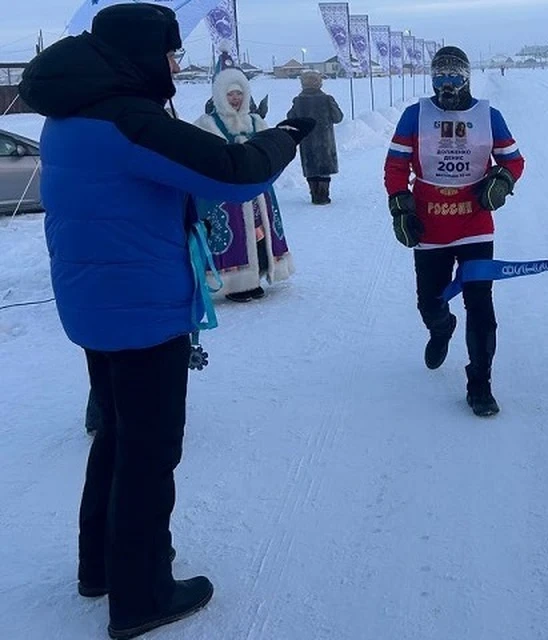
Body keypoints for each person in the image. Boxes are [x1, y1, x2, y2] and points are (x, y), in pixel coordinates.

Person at [18, 4, 313, 638]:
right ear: (142, 55)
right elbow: (235, 173)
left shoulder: (69, 111)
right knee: (150, 451)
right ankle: (142, 592)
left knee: (118, 436)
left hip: (94, 300)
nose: (177, 65)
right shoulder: (128, 120)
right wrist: (289, 133)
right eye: (171, 54)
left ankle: (99, 567)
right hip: (141, 310)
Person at [384, 46, 525, 417]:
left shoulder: (488, 116)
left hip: (474, 224)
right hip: (430, 225)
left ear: (467, 77)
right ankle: (441, 326)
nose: (447, 84)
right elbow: (396, 166)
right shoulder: (414, 117)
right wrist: (400, 205)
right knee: (429, 302)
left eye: (454, 76)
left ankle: (480, 384)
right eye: (440, 76)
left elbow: (513, 159)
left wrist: (503, 180)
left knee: (481, 306)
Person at [194, 51, 294, 303]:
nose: (236, 98)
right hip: (226, 194)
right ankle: (236, 283)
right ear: (220, 96)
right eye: (230, 94)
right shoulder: (207, 124)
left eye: (239, 93)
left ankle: (258, 273)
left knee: (260, 230)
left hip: (259, 192)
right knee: (234, 233)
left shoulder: (255, 121)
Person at [286, 70, 344, 205]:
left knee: (311, 166)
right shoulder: (327, 99)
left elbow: (290, 118)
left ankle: (314, 195)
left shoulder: (298, 101)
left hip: (307, 140)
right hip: (325, 140)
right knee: (324, 168)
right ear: (319, 83)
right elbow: (338, 117)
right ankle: (324, 195)